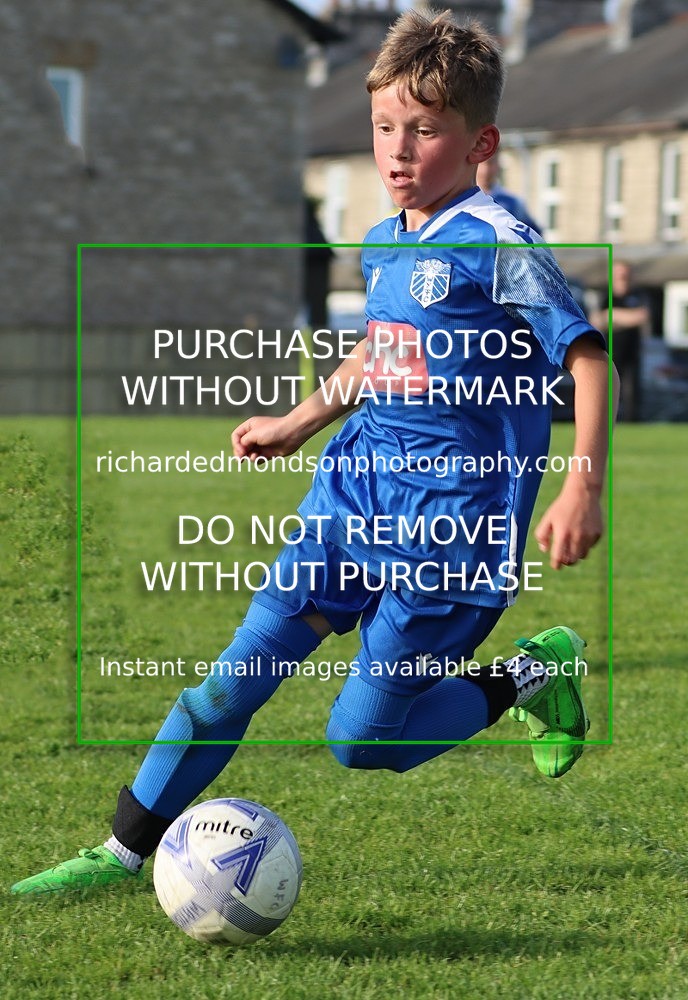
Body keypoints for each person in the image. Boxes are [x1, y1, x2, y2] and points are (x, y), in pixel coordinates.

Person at [12, 10, 618, 896]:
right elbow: (382, 349)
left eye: (425, 130)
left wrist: (581, 487)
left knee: (362, 741)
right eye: (384, 127)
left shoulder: (497, 242)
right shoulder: (384, 242)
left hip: (453, 528)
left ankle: (535, 671)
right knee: (234, 679)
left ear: (479, 142)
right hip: (355, 497)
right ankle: (120, 851)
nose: (398, 150)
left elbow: (588, 358)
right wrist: (299, 422)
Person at [590, 260, 649, 421]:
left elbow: (641, 316)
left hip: (632, 351)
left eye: (625, 273)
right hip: (609, 352)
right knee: (608, 390)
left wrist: (613, 315)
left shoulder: (638, 295)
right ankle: (608, 421)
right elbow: (596, 320)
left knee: (632, 391)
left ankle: (632, 423)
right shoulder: (605, 295)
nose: (622, 276)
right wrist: (624, 317)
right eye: (619, 272)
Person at [476, 152, 541, 232]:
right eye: (480, 163)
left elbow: (532, 234)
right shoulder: (464, 199)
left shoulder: (513, 203)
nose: (485, 170)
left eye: (491, 163)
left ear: (498, 164)